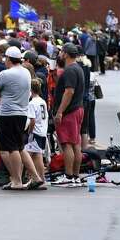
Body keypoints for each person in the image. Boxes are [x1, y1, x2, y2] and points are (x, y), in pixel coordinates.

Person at [0, 46, 44, 190]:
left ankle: (17, 180)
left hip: (8, 113)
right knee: (20, 147)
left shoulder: (5, 74)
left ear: (8, 59)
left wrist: (3, 93)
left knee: (9, 148)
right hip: (22, 113)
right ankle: (35, 177)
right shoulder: (26, 72)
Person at [50, 43, 86, 186]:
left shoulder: (70, 70)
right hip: (78, 109)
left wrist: (60, 111)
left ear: (65, 54)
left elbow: (69, 91)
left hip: (69, 111)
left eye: (61, 52)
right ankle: (75, 176)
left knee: (66, 144)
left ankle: (69, 176)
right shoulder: (78, 68)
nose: (59, 54)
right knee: (75, 143)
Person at [26, 79, 49, 183]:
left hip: (35, 132)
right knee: (38, 155)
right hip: (42, 131)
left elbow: (32, 120)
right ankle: (41, 178)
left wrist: (29, 132)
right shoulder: (42, 101)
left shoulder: (32, 103)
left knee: (27, 155)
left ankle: (30, 177)